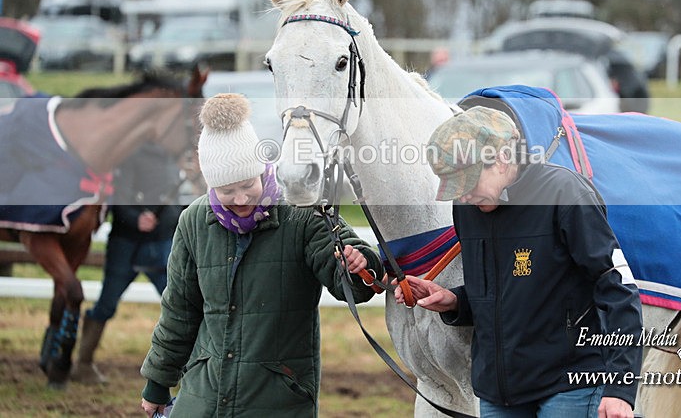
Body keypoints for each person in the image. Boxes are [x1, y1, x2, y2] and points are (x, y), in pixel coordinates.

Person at [139, 93, 384, 418]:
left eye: (247, 184)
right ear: (212, 186)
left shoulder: (302, 213)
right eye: (227, 191)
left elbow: (351, 279)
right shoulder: (194, 222)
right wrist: (158, 382)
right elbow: (179, 312)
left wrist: (359, 265)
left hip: (277, 396)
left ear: (263, 170)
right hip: (204, 393)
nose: (240, 198)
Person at [396, 106, 643, 417]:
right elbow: (502, 290)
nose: (464, 195)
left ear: (502, 159)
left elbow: (618, 289)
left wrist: (620, 387)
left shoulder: (564, 193)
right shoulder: (467, 208)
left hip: (572, 384)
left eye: (468, 182)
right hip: (498, 393)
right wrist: (455, 301)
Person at [72, 141, 184, 384]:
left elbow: (179, 200)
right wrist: (136, 219)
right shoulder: (128, 154)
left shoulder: (175, 156)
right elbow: (119, 197)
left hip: (162, 245)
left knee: (179, 306)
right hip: (126, 246)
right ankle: (83, 365)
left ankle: (190, 369)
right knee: (106, 305)